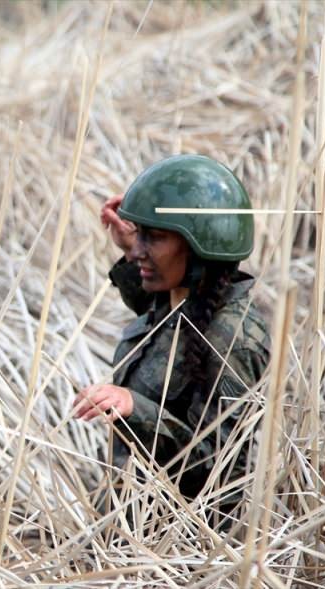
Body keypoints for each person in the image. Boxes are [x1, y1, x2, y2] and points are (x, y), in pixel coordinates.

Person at [73, 154, 270, 529]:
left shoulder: (234, 340)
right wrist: (133, 247)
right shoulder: (182, 297)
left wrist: (135, 408)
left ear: (199, 247)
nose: (140, 249)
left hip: (178, 554)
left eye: (156, 237)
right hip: (128, 532)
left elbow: (217, 470)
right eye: (141, 234)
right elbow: (158, 326)